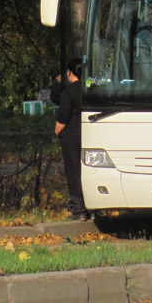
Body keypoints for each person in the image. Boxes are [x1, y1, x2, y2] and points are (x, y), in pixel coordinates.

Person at [55, 58, 89, 221]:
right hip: (89, 132)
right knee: (87, 170)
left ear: (70, 73)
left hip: (72, 135)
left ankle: (78, 208)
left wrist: (56, 132)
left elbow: (63, 118)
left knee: (73, 170)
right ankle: (91, 206)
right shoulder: (90, 90)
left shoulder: (68, 93)